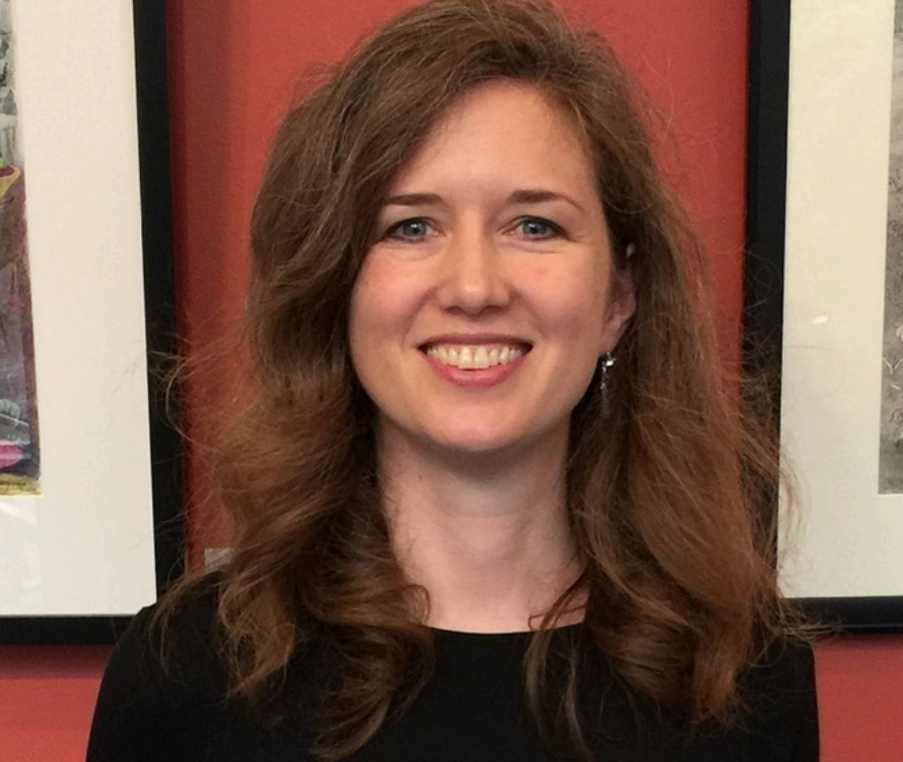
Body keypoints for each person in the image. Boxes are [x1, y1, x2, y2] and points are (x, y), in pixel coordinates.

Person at [87, 1, 819, 760]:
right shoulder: (185, 676)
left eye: (534, 225)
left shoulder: (746, 677)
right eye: (410, 226)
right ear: (336, 287)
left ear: (618, 298)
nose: (473, 286)